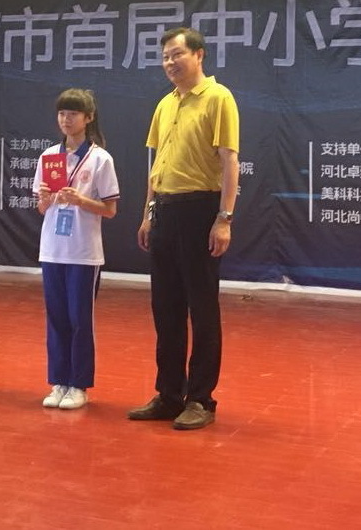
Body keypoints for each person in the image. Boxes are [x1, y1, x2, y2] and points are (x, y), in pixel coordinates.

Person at [130, 27, 239, 430]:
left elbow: (229, 161)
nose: (170, 63)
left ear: (199, 55)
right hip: (165, 209)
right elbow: (157, 164)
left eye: (177, 54)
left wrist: (224, 218)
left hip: (200, 209)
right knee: (166, 308)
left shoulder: (218, 97)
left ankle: (201, 399)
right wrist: (148, 213)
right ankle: (169, 394)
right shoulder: (165, 104)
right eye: (165, 57)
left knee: (202, 308)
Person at [33, 89, 120, 410]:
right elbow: (42, 208)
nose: (66, 120)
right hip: (52, 249)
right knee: (56, 317)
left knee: (79, 319)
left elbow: (110, 210)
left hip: (83, 252)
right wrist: (45, 198)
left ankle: (79, 385)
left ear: (88, 118)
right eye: (62, 114)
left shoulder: (100, 159)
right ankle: (59, 381)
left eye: (73, 114)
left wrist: (81, 200)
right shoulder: (48, 157)